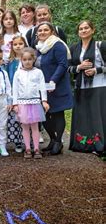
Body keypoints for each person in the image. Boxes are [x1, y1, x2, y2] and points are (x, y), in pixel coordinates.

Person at [68, 20, 105, 156]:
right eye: (81, 29)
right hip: (81, 87)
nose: (83, 30)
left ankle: (100, 145)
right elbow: (68, 68)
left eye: (86, 28)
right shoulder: (73, 48)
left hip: (99, 86)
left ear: (93, 30)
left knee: (97, 116)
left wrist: (97, 70)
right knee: (83, 116)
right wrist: (79, 67)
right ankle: (84, 144)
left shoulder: (100, 46)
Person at [36, 21, 72, 155]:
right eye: (40, 31)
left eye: (45, 30)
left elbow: (62, 65)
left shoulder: (57, 45)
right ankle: (52, 139)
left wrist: (53, 81)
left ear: (52, 32)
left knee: (57, 113)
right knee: (44, 114)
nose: (42, 32)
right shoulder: (39, 48)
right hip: (42, 86)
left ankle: (58, 142)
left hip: (57, 85)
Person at [13, 47, 49, 159]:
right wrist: (15, 103)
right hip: (22, 103)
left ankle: (37, 148)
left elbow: (42, 87)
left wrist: (44, 101)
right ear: (21, 60)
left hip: (35, 103)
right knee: (24, 127)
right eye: (24, 59)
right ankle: (28, 148)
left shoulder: (38, 72)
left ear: (33, 59)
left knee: (35, 127)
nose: (27, 61)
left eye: (29, 59)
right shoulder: (18, 73)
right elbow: (15, 89)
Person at [5, 34, 28, 152]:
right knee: (15, 118)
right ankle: (17, 142)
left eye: (20, 44)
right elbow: (8, 78)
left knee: (25, 118)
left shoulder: (28, 60)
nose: (18, 46)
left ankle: (28, 142)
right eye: (15, 44)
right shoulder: (10, 62)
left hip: (26, 93)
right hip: (14, 93)